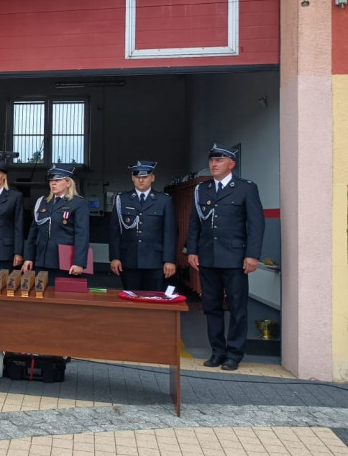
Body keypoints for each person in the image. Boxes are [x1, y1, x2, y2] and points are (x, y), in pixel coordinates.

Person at [187, 144, 264, 372]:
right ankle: (217, 352)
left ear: (231, 164)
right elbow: (194, 224)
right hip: (208, 256)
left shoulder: (245, 188)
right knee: (211, 307)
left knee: (238, 307)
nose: (214, 164)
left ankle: (234, 354)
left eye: (219, 161)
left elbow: (255, 224)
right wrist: (192, 250)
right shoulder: (202, 189)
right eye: (212, 160)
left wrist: (252, 255)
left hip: (235, 258)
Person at [108, 160, 177, 292]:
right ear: (132, 178)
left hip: (155, 261)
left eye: (144, 177)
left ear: (152, 178)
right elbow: (114, 231)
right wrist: (115, 257)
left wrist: (169, 260)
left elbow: (169, 233)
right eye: (138, 177)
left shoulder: (164, 200)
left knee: (154, 299)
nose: (141, 180)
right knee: (131, 299)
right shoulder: (122, 199)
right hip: (128, 260)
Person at [22, 164, 90, 283]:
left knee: (62, 298)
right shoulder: (42, 201)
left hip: (65, 262)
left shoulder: (78, 203)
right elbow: (33, 232)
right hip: (41, 260)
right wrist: (28, 257)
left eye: (58, 180)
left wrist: (79, 262)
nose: (53, 183)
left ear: (68, 183)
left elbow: (82, 235)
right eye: (51, 180)